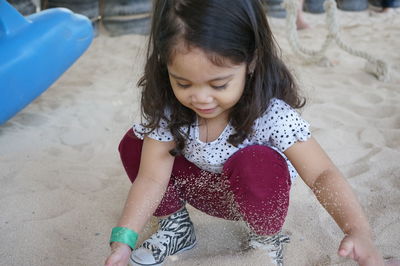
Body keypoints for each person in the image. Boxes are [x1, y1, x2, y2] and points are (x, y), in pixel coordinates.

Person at [104, 0, 385, 265]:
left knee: (255, 160)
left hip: (256, 197)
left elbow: (322, 174)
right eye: (183, 83)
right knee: (135, 143)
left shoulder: (272, 115)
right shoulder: (170, 109)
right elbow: (152, 177)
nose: (201, 98)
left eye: (218, 85)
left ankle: (265, 240)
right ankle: (176, 226)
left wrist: (357, 230)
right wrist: (123, 241)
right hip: (201, 188)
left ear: (251, 62)